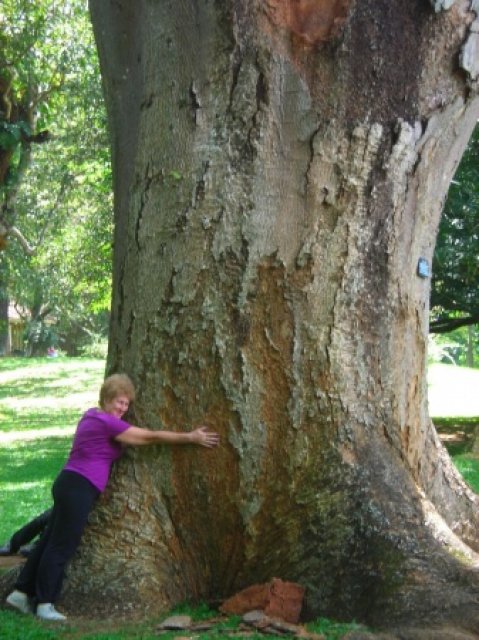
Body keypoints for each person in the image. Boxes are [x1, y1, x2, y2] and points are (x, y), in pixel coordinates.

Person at [5, 373, 219, 621]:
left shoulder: (90, 416)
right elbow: (148, 437)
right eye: (119, 402)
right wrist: (190, 437)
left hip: (69, 483)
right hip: (79, 487)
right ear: (106, 399)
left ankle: (20, 594)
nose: (123, 408)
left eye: (126, 404)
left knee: (48, 542)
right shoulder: (107, 422)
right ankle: (45, 604)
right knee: (62, 546)